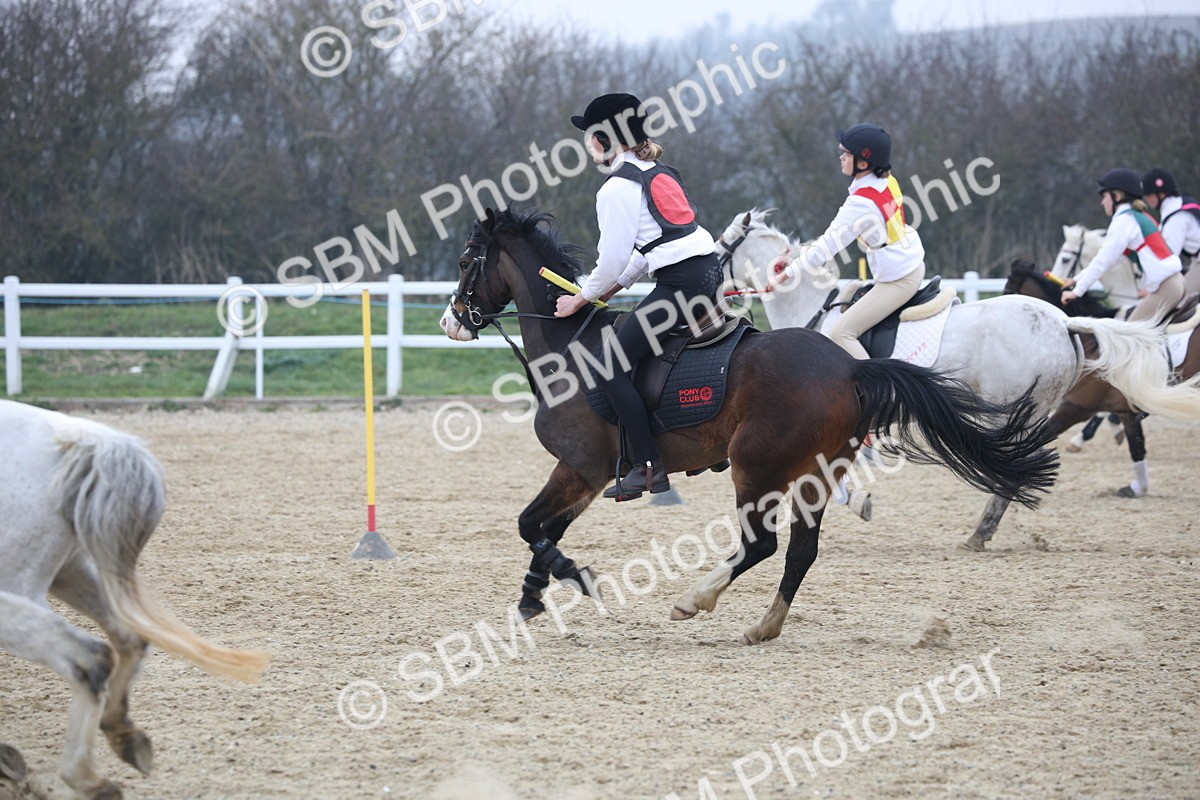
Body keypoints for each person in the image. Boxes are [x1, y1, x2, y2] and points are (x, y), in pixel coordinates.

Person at [555, 93, 723, 500]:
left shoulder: (615, 190)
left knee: (609, 365)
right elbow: (648, 252)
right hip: (708, 273)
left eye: (589, 135)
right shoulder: (658, 170)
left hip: (680, 285)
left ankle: (649, 466)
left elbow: (611, 260)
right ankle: (703, 441)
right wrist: (611, 289)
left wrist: (581, 298)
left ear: (602, 140)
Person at [766, 124, 926, 360]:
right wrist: (795, 257)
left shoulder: (860, 204)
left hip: (898, 280)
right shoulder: (884, 180)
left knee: (841, 334)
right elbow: (829, 239)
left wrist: (785, 275)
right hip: (907, 262)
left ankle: (881, 392)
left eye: (846, 153)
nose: (840, 157)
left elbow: (825, 249)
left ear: (862, 162)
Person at [1062, 169, 1185, 322]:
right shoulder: (1136, 217)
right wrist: (1076, 280)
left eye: (1104, 196)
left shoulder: (1123, 221)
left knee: (1128, 335)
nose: (1102, 202)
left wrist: (1077, 292)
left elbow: (1103, 260)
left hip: (1167, 287)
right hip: (1175, 283)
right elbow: (1112, 260)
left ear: (1117, 196)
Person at [1142, 167, 1200, 296]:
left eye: (1149, 195)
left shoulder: (1176, 218)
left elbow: (1169, 256)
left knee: (1181, 300)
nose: (1146, 199)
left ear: (1161, 194)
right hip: (1196, 261)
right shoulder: (1179, 205)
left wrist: (1151, 287)